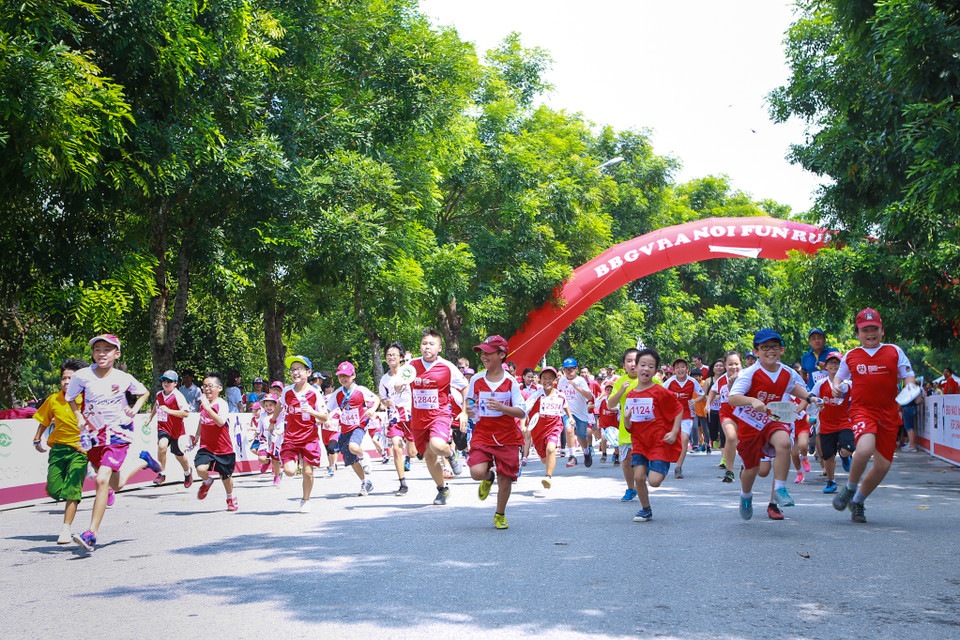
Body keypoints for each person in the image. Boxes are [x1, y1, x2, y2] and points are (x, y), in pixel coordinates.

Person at [66, 334, 159, 552]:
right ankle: (144, 462)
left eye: (107, 350)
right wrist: (79, 418)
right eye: (97, 349)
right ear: (92, 353)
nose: (101, 354)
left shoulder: (123, 377)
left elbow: (144, 392)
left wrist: (134, 409)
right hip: (95, 436)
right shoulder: (82, 376)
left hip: (119, 433)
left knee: (101, 480)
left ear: (116, 354)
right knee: (115, 485)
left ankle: (91, 534)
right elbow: (70, 398)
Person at [831, 308, 917, 523]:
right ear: (858, 333)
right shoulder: (851, 355)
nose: (870, 333)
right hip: (862, 410)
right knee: (865, 449)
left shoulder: (894, 351)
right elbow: (838, 379)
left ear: (882, 331)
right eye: (865, 330)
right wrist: (836, 387)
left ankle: (858, 501)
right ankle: (850, 488)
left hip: (889, 413)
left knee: (882, 466)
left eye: (874, 329)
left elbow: (908, 376)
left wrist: (910, 387)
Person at [728, 329, 820, 521]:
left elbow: (793, 387)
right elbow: (733, 398)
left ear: (782, 350)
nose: (770, 351)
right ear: (756, 351)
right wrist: (752, 401)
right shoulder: (750, 373)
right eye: (765, 347)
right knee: (752, 470)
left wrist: (810, 397)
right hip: (750, 424)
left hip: (773, 419)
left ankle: (779, 489)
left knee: (785, 443)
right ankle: (746, 496)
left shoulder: (787, 372)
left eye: (774, 347)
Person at [463, 335, 526, 529]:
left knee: (505, 478)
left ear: (501, 354)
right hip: (483, 433)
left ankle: (500, 514)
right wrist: (471, 409)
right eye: (482, 352)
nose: (483, 356)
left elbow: (522, 411)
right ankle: (487, 478)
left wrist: (502, 408)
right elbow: (469, 401)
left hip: (506, 435)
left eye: (488, 352)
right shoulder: (476, 379)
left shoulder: (510, 382)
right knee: (476, 472)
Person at [32, 357, 89, 544]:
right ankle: (73, 490)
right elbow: (44, 420)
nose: (66, 382)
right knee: (54, 490)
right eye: (64, 378)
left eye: (71, 378)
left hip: (80, 450)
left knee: (72, 489)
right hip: (57, 449)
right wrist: (36, 438)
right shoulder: (53, 400)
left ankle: (65, 529)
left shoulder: (86, 398)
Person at [408, 329, 468, 505]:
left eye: (431, 344)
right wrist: (397, 387)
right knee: (428, 456)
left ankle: (450, 454)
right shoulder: (411, 366)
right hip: (418, 418)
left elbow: (465, 387)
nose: (427, 347)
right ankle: (442, 489)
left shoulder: (447, 367)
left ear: (439, 347)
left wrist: (463, 412)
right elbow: (400, 383)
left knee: (436, 445)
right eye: (424, 343)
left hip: (439, 415)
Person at [622, 348, 683, 523]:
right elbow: (629, 427)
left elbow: (678, 409)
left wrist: (674, 431)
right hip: (640, 442)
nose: (646, 369)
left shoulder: (660, 391)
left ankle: (657, 466)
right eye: (643, 365)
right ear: (636, 367)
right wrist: (626, 420)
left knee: (654, 481)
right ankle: (645, 509)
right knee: (639, 478)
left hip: (659, 442)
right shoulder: (632, 395)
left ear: (655, 371)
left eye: (651, 366)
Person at [275, 355, 329, 513]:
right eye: (292, 370)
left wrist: (313, 412)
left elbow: (325, 417)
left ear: (308, 372)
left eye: (299, 369)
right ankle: (295, 459)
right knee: (290, 471)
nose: (295, 373)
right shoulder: (286, 391)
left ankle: (305, 500)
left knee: (307, 471)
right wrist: (273, 422)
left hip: (309, 439)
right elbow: (279, 406)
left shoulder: (314, 393)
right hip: (291, 438)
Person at [329, 361, 379, 498]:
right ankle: (365, 482)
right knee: (351, 459)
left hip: (359, 425)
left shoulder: (361, 390)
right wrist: (327, 419)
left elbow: (376, 399)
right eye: (340, 376)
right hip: (345, 428)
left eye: (347, 375)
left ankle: (365, 456)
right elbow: (329, 410)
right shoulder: (337, 393)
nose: (344, 378)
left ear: (353, 375)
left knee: (353, 446)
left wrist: (372, 409)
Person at [524, 366, 573, 497]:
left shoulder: (560, 395)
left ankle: (548, 477)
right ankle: (548, 466)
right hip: (538, 431)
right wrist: (523, 424)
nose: (547, 381)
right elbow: (524, 410)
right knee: (545, 458)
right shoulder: (536, 395)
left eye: (550, 378)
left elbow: (566, 406)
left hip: (554, 427)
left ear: (555, 380)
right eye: (544, 378)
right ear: (539, 380)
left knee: (551, 449)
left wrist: (571, 418)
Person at [192, 373, 237, 511]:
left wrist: (207, 407)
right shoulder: (204, 405)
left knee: (225, 477)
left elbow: (220, 422)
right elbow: (202, 421)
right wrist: (196, 436)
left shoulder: (221, 404)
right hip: (207, 446)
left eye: (210, 386)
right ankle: (207, 481)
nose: (206, 389)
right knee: (200, 468)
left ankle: (230, 497)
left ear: (219, 388)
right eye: (204, 386)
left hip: (223, 448)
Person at [811, 349, 854, 493]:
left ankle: (844, 456)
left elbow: (859, 397)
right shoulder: (821, 384)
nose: (834, 366)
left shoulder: (848, 384)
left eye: (837, 363)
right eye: (831, 363)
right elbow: (810, 396)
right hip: (826, 425)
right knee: (828, 456)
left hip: (844, 423)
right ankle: (831, 481)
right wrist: (802, 409)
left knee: (847, 450)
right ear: (826, 366)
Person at [379, 342, 416, 495]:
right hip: (395, 417)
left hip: (411, 415)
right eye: (388, 355)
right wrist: (385, 401)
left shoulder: (409, 372)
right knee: (395, 447)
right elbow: (383, 399)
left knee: (413, 453)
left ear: (401, 357)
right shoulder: (384, 379)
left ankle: (412, 454)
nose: (391, 357)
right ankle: (403, 483)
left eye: (394, 354)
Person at [145, 370, 192, 487]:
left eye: (169, 381)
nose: (166, 383)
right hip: (163, 427)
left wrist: (169, 411)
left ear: (175, 383)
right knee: (162, 446)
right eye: (163, 380)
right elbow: (157, 405)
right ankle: (162, 473)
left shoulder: (178, 396)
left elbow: (186, 413)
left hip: (176, 430)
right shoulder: (159, 394)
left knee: (179, 455)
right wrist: (150, 417)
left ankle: (187, 473)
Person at [607, 348, 642, 500]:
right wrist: (622, 390)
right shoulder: (620, 381)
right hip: (626, 428)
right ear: (624, 365)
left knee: (644, 458)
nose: (633, 364)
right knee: (627, 459)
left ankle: (644, 477)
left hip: (647, 428)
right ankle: (630, 488)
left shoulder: (650, 379)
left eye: (636, 361)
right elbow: (610, 404)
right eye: (629, 361)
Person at [663, 358, 704, 479]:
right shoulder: (669, 382)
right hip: (671, 415)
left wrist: (695, 401)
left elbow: (703, 395)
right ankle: (663, 461)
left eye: (683, 367)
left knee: (684, 439)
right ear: (674, 370)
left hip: (686, 414)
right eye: (677, 367)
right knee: (669, 439)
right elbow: (660, 394)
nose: (680, 369)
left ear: (687, 369)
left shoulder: (692, 382)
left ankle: (678, 467)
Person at [706, 350, 741, 483]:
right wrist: (708, 403)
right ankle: (729, 471)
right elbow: (713, 391)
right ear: (725, 365)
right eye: (730, 364)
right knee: (731, 437)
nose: (733, 367)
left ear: (741, 364)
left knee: (743, 442)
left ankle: (745, 464)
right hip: (726, 412)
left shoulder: (746, 377)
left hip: (744, 413)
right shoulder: (721, 379)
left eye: (736, 364)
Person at [557, 358, 595, 467]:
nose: (569, 371)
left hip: (581, 413)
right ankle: (572, 456)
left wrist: (575, 386)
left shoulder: (581, 381)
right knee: (569, 430)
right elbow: (560, 396)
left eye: (571, 369)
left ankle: (586, 451)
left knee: (581, 437)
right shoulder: (561, 381)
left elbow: (589, 397)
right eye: (566, 369)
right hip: (568, 412)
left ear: (576, 369)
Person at [256, 393, 284, 485]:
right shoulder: (263, 415)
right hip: (265, 440)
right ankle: (266, 462)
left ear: (276, 405)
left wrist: (279, 432)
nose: (268, 407)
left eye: (271, 405)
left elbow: (282, 427)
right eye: (266, 405)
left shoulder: (279, 415)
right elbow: (259, 427)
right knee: (261, 458)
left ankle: (276, 476)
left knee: (276, 460)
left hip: (275, 440)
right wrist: (255, 434)